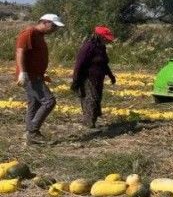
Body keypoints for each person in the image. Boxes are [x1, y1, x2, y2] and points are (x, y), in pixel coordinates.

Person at [15, 13, 65, 144]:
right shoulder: (28, 33)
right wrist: (22, 72)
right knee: (49, 101)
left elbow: (35, 57)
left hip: (36, 75)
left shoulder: (40, 35)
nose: (55, 30)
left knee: (34, 103)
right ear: (45, 22)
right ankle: (32, 132)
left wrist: (42, 73)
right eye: (54, 26)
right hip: (30, 76)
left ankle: (30, 134)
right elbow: (20, 52)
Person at [71, 26, 117, 129]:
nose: (108, 40)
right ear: (99, 36)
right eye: (106, 38)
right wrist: (75, 80)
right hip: (87, 78)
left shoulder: (101, 47)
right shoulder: (88, 46)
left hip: (98, 78)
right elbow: (79, 63)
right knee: (91, 99)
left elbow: (104, 63)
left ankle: (92, 121)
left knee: (97, 99)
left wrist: (111, 76)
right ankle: (89, 123)